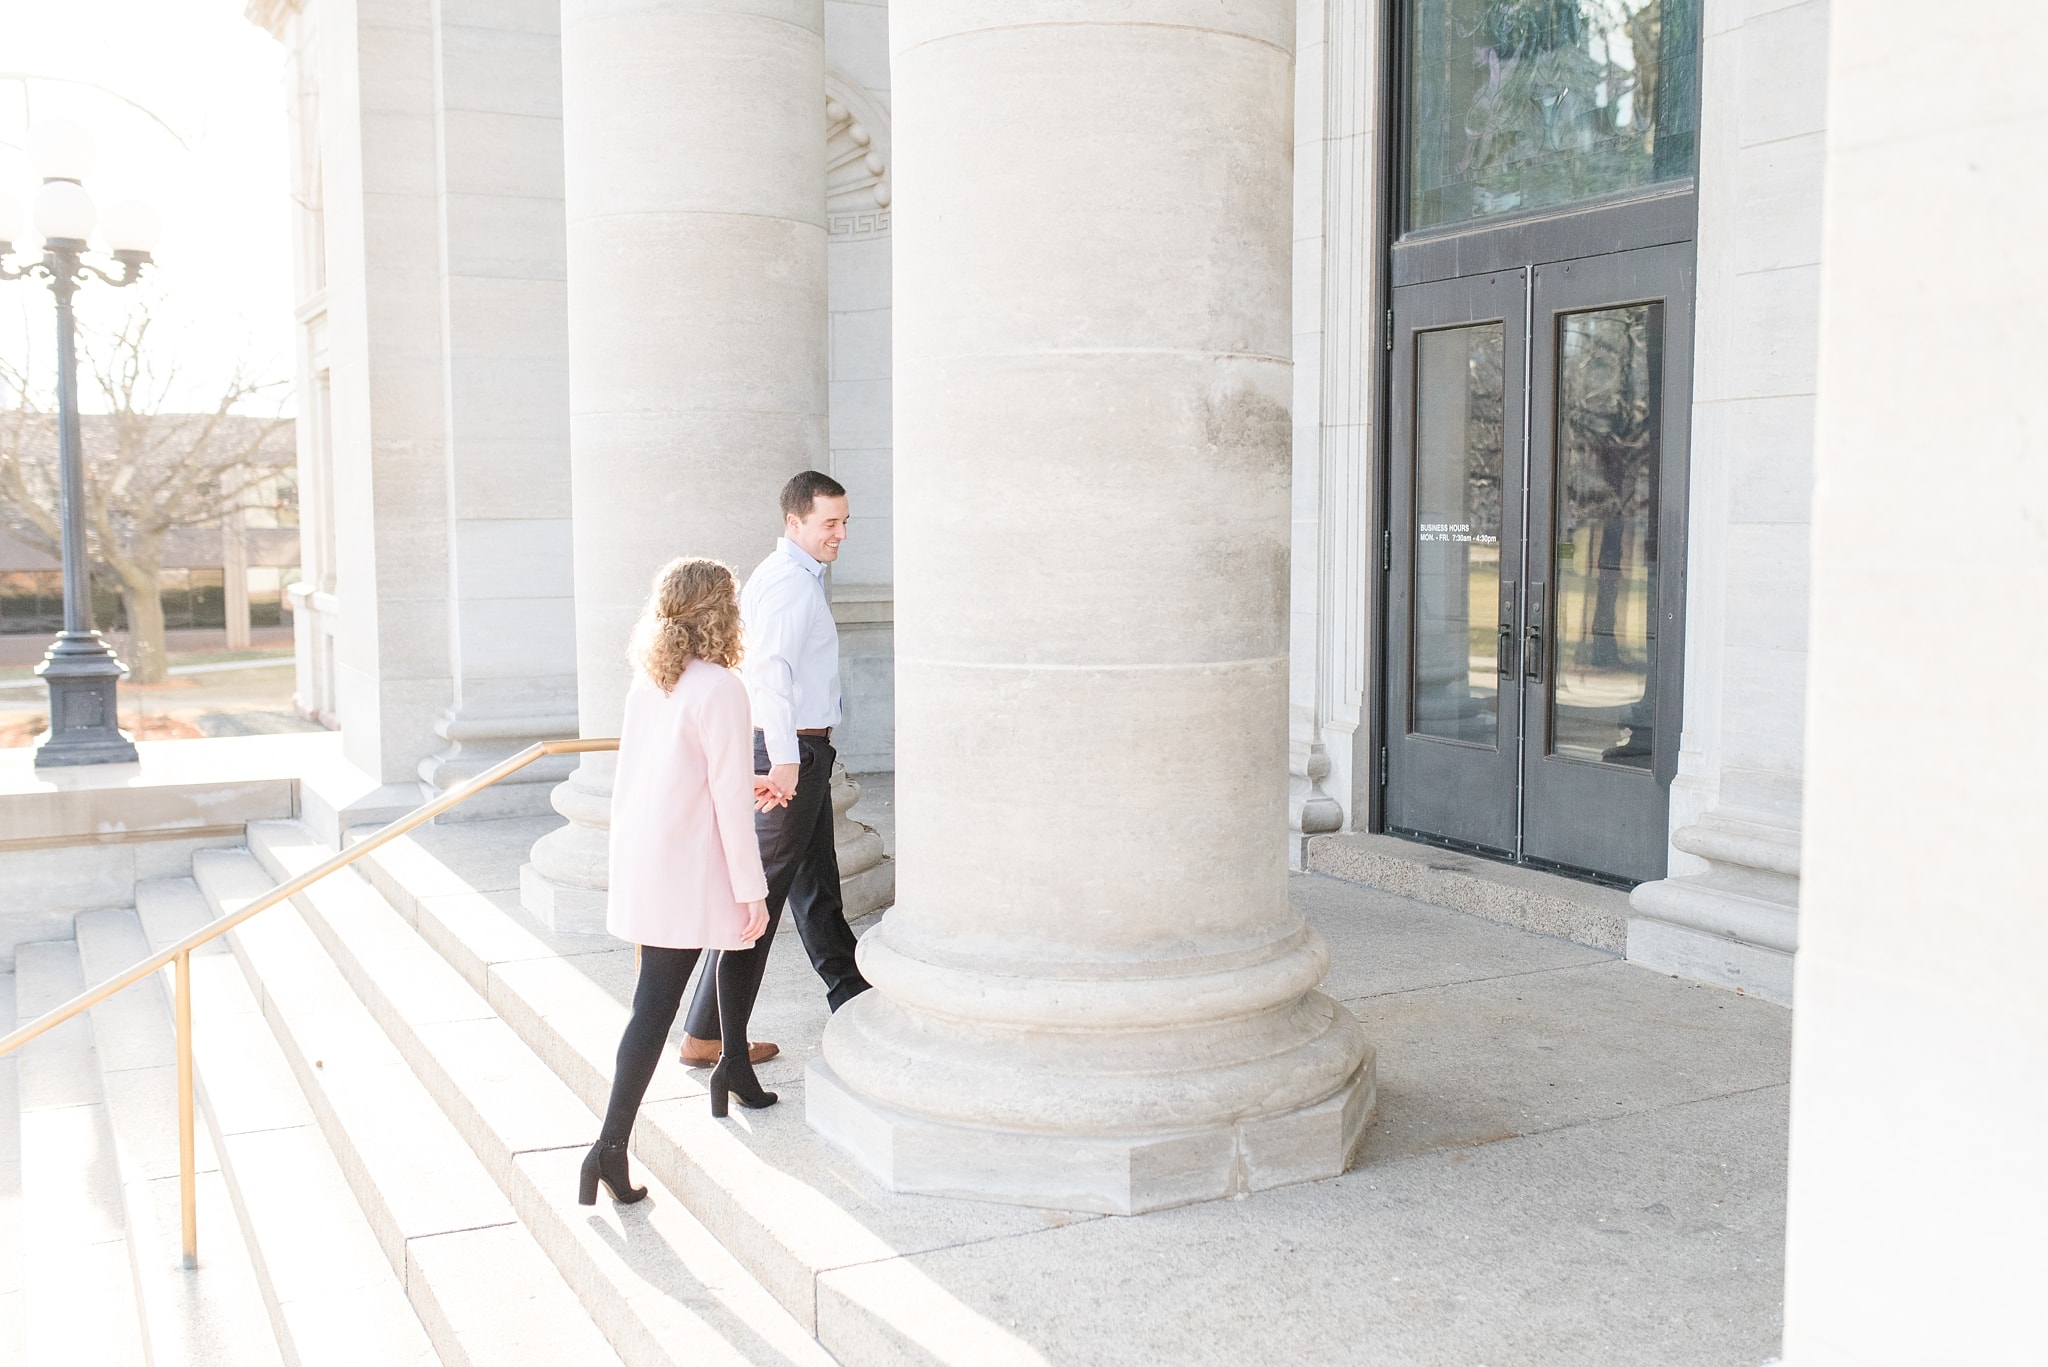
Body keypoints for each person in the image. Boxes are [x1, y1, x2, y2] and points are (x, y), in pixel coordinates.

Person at [580, 558, 779, 1207]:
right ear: (720, 611)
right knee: (653, 1009)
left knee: (651, 1004)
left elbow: (657, 779)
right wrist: (752, 889)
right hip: (686, 870)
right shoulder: (721, 687)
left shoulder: (653, 681)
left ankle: (720, 1073)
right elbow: (725, 800)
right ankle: (608, 1146)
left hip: (649, 862)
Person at [675, 470, 871, 1068]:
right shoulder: (791, 584)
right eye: (828, 523)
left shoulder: (790, 576)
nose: (839, 534)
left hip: (803, 750)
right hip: (792, 752)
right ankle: (706, 1033)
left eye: (844, 522)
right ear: (795, 521)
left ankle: (850, 992)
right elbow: (769, 675)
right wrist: (786, 760)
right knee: (760, 897)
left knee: (817, 886)